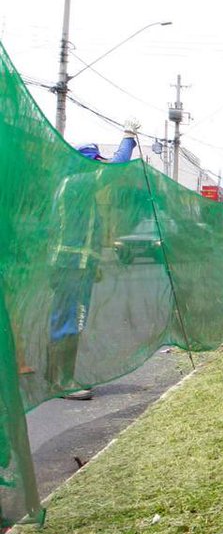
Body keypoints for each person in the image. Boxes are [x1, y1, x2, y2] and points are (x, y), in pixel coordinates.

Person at [48, 121, 139, 400]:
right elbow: (114, 168)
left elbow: (84, 229)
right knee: (69, 321)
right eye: (93, 162)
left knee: (65, 318)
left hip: (72, 264)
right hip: (71, 267)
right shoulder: (78, 183)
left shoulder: (69, 185)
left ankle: (57, 378)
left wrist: (94, 262)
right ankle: (62, 381)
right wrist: (128, 139)